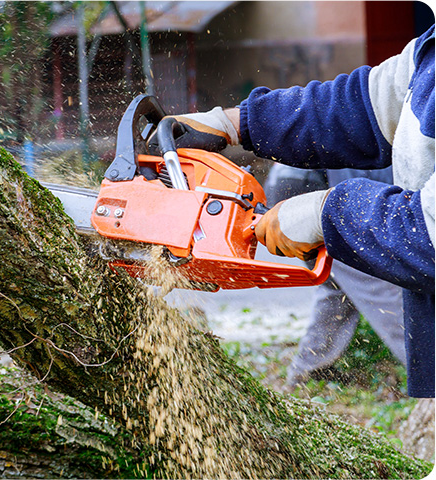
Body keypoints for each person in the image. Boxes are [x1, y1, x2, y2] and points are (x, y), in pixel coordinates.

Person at [170, 25, 434, 398]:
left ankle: (323, 370)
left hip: (351, 202)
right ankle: (310, 372)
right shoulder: (429, 53)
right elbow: (361, 104)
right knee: (353, 285)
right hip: (315, 186)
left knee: (367, 286)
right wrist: (237, 122)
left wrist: (325, 216)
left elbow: (428, 236)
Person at [264, 164, 407, 387]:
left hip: (293, 187)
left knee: (336, 286)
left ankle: (308, 370)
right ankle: (428, 368)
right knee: (378, 285)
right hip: (308, 193)